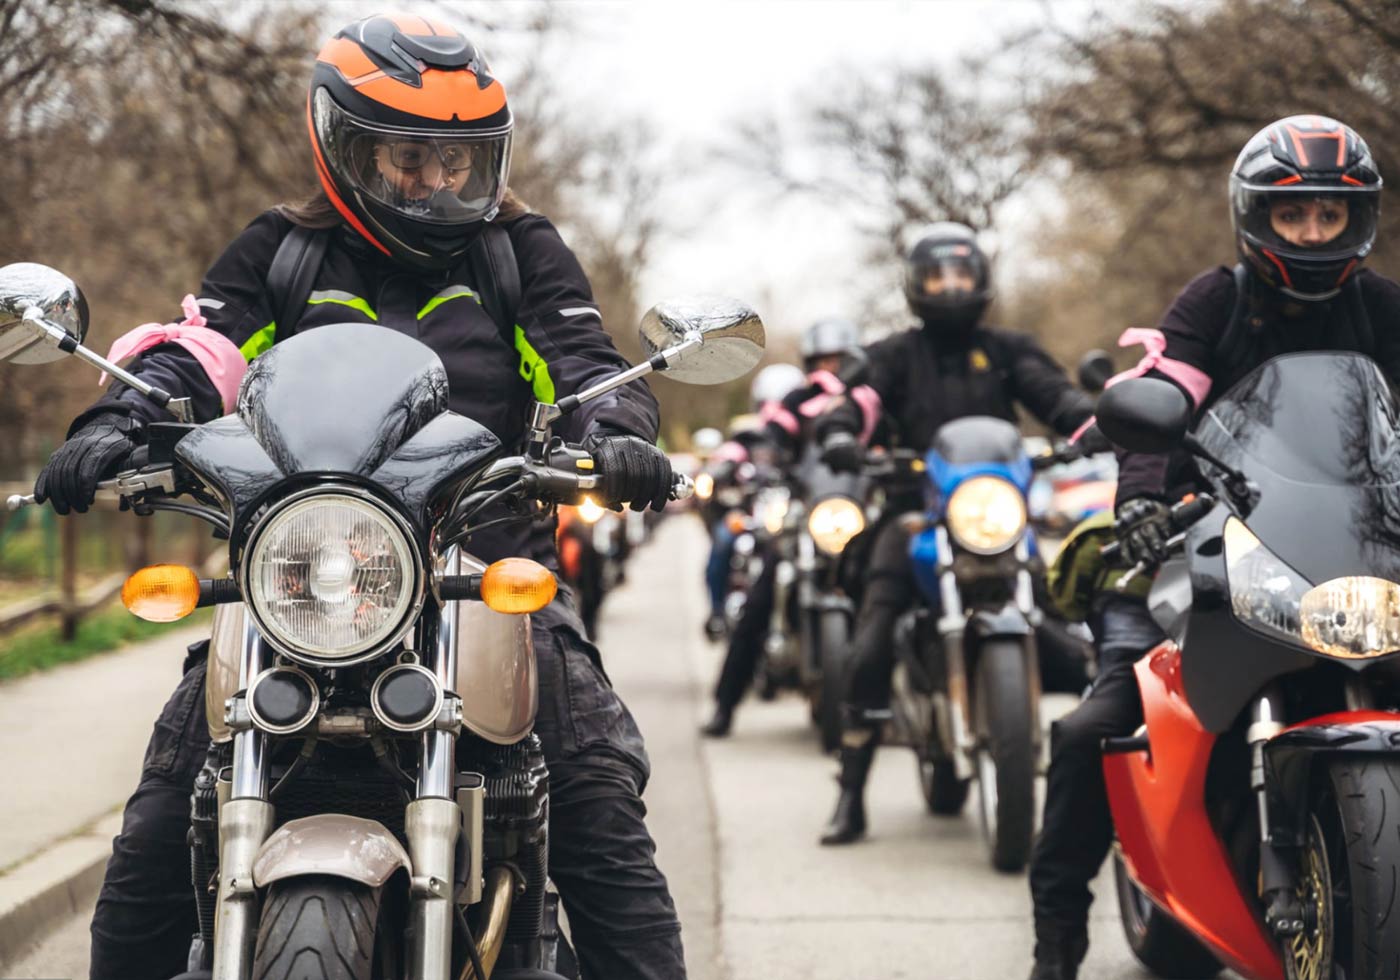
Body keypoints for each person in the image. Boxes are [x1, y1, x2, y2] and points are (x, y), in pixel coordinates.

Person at [32, 15, 687, 980]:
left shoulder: (519, 252)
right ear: (342, 145)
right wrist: (118, 419)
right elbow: (201, 348)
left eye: (460, 162)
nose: (436, 183)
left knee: (596, 801)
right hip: (291, 584)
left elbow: (582, 364)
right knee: (163, 820)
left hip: (477, 571)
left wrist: (619, 432)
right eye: (410, 158)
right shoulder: (281, 252)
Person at [1026, 114, 1400, 980]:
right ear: (1255, 215)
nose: (1311, 233)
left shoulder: (1380, 306)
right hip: (1207, 538)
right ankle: (1056, 946)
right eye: (1293, 214)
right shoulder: (1215, 302)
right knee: (1096, 727)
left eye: (1329, 217)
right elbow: (1161, 395)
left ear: (1357, 221)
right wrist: (1142, 500)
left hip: (1357, 550)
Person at [814, 222, 1096, 846]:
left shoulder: (1007, 350)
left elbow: (1054, 395)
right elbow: (859, 400)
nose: (949, 286)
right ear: (916, 285)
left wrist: (1087, 424)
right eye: (936, 275)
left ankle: (1111, 781)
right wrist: (840, 431)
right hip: (915, 511)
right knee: (870, 642)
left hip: (996, 516)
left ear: (982, 281)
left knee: (1084, 628)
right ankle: (851, 795)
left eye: (961, 274)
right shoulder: (894, 354)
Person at [700, 318, 878, 736]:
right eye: (824, 360)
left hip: (859, 511)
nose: (832, 368)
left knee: (891, 588)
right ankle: (725, 706)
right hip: (807, 511)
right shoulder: (800, 399)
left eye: (839, 360)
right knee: (761, 598)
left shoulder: (872, 398)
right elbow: (770, 433)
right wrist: (749, 459)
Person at [697, 367, 805, 641]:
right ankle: (718, 612)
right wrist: (721, 467)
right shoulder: (749, 435)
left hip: (793, 516)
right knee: (723, 540)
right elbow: (731, 452)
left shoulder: (806, 436)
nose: (775, 412)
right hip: (752, 514)